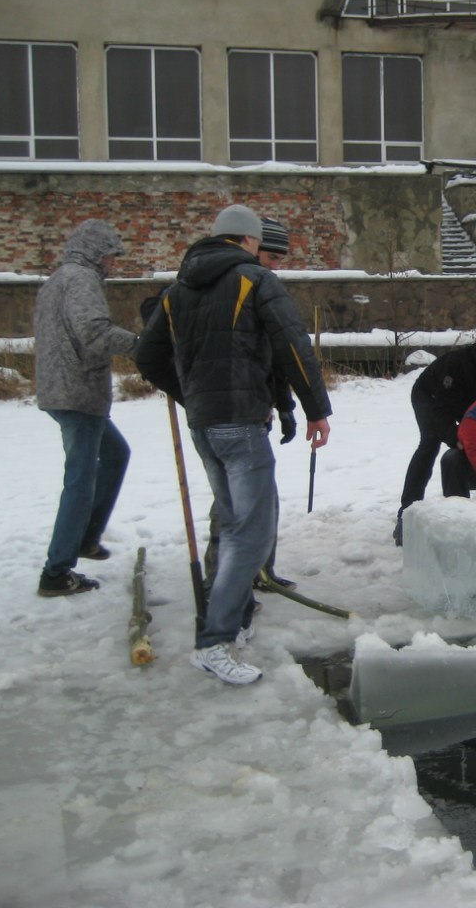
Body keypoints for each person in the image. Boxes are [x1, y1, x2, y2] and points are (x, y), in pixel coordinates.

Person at [135, 204, 332, 686]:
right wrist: (316, 409)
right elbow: (293, 346)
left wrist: (194, 395)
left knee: (231, 525)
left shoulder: (178, 289)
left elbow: (148, 356)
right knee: (252, 533)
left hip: (205, 426)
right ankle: (214, 641)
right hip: (241, 425)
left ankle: (237, 617)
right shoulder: (254, 279)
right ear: (249, 239)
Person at [34, 219, 138, 598]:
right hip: (77, 392)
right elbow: (94, 333)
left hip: (61, 389)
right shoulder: (81, 280)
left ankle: (86, 537)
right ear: (96, 253)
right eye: (110, 256)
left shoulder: (57, 280)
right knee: (80, 480)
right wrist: (142, 345)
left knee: (115, 454)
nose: (113, 264)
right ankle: (56, 572)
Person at [200, 216, 298, 594]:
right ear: (252, 248)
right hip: (227, 415)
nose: (274, 266)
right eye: (270, 257)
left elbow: (275, 355)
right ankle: (220, 585)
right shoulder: (220, 288)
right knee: (233, 504)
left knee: (262, 499)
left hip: (256, 410)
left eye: (279, 260)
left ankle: (260, 571)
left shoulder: (260, 290)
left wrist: (284, 405)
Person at [394, 330, 476, 545]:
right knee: (430, 443)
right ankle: (406, 514)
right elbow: (441, 412)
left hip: (471, 400)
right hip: (431, 396)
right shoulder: (458, 364)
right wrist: (456, 439)